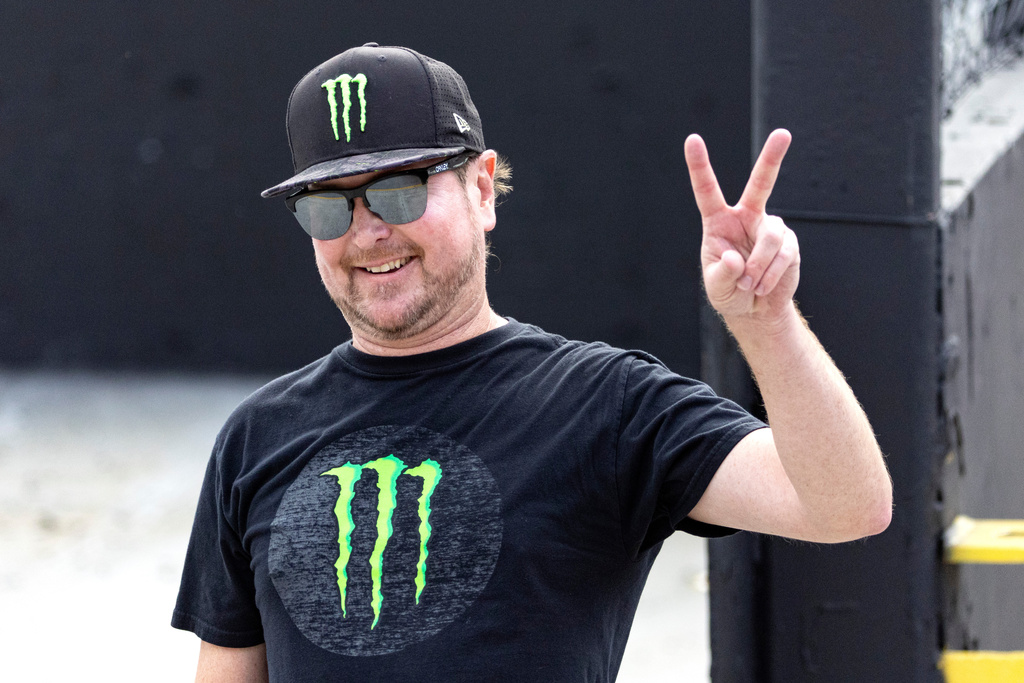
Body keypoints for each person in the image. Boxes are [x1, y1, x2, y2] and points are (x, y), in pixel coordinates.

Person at [172, 43, 892, 682]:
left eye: (399, 191)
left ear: (482, 188)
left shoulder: (604, 404)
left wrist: (765, 321)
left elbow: (846, 506)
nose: (367, 232)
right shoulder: (256, 438)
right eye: (329, 207)